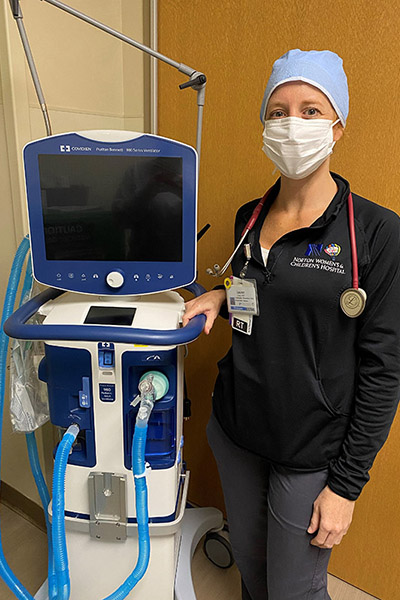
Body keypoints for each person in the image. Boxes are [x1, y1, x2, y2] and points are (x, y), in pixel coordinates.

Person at [183, 49, 400, 599]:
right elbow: (259, 293)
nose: (291, 124)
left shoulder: (376, 234)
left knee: (295, 591)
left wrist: (345, 488)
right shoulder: (249, 217)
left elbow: (384, 371)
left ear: (338, 127)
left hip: (311, 452)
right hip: (236, 433)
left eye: (309, 110)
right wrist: (219, 297)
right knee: (253, 575)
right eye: (278, 112)